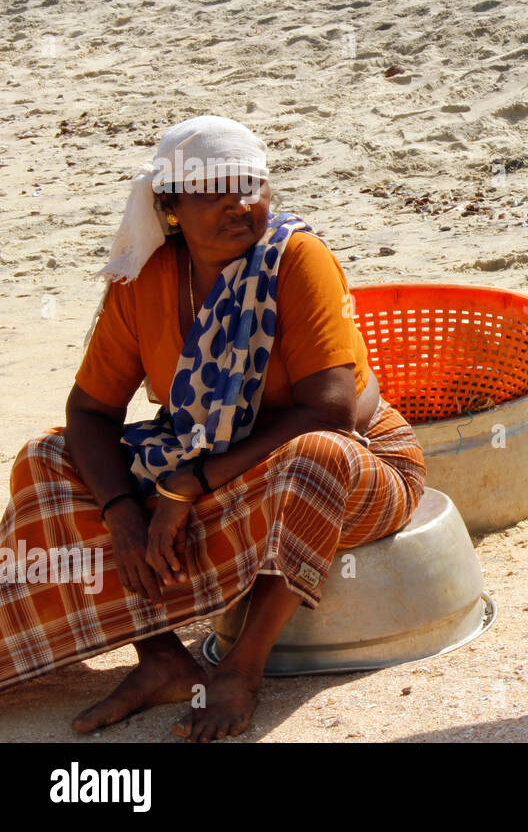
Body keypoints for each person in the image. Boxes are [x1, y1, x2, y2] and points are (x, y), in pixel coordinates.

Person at [0, 116, 426, 741]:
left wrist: (185, 487)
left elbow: (332, 411)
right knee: (47, 460)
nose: (238, 204)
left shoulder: (296, 259)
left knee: (312, 456)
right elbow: (90, 411)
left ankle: (238, 671)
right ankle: (162, 658)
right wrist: (123, 513)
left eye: (250, 186)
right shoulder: (144, 279)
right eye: (212, 190)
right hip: (203, 463)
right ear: (169, 205)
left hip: (353, 467)